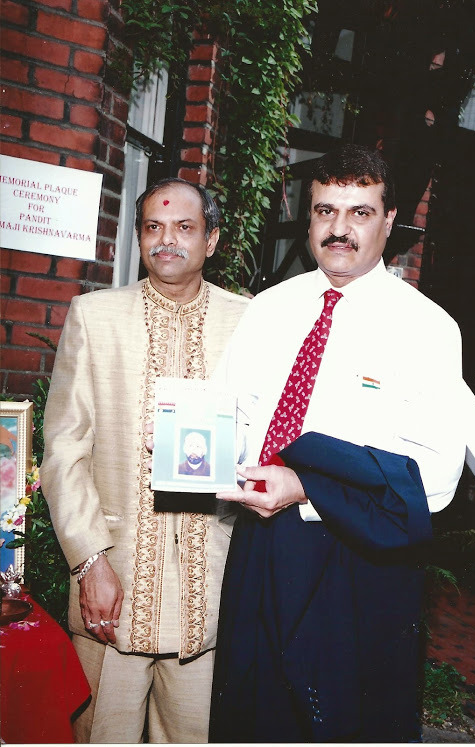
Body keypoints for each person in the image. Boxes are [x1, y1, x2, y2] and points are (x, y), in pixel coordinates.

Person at [209, 144, 467, 743]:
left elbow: (435, 479)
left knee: (342, 721)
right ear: (309, 220)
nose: (340, 229)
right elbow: (233, 413)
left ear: (389, 221)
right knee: (250, 712)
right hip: (261, 545)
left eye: (359, 212)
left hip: (357, 559)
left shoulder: (427, 328)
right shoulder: (268, 309)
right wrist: (184, 438)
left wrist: (309, 485)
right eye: (325, 211)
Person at [41, 177, 249, 743]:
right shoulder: (94, 317)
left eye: (185, 227)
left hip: (209, 596)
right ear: (137, 238)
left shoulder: (249, 323)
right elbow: (63, 450)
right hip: (114, 588)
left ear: (211, 240)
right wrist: (89, 561)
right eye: (153, 228)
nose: (167, 241)